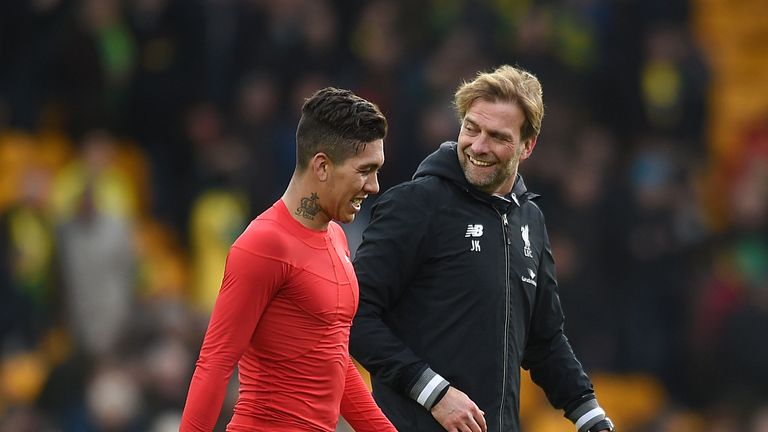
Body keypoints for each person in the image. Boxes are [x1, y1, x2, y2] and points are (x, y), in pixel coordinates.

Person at [349, 65, 615, 432]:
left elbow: (544, 340)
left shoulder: (530, 221)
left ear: (528, 146)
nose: (478, 146)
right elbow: (354, 315)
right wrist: (435, 393)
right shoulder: (416, 205)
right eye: (471, 128)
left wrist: (591, 417)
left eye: (497, 136)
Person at [180, 87, 396, 432]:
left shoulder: (336, 238)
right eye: (365, 170)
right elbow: (215, 364)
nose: (373, 187)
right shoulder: (264, 244)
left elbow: (334, 360)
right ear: (322, 166)